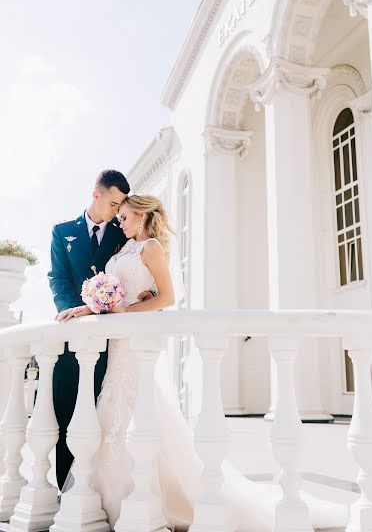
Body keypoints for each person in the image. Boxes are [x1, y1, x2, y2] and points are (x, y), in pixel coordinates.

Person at [59, 194, 348, 532]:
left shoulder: (150, 247)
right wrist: (91, 305)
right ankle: (110, 499)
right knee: (112, 413)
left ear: (141, 215)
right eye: (118, 217)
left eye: (124, 216)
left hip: (135, 342)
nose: (119, 222)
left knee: (139, 413)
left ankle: (150, 501)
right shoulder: (121, 251)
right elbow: (116, 297)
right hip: (118, 346)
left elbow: (167, 298)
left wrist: (125, 311)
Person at [48, 170, 151, 490]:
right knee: (66, 411)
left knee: (100, 413)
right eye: (113, 203)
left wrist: (144, 292)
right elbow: (58, 278)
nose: (117, 212)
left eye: (121, 207)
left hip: (111, 341)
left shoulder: (123, 235)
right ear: (97, 195)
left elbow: (141, 266)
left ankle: (95, 490)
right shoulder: (62, 231)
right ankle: (67, 487)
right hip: (71, 337)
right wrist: (71, 314)